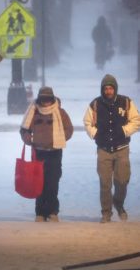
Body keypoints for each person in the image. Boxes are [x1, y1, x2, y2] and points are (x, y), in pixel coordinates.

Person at [83, 74, 140, 223]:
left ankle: (118, 203)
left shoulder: (126, 102)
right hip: (103, 149)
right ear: (102, 89)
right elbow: (87, 122)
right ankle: (106, 213)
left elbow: (136, 120)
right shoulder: (95, 104)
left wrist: (124, 130)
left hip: (122, 148)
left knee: (122, 181)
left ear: (115, 89)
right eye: (106, 88)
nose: (108, 91)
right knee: (105, 183)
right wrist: (95, 134)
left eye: (110, 88)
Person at [20, 86, 74, 222]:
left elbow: (69, 129)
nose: (46, 103)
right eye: (43, 100)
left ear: (52, 99)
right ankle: (40, 213)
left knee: (52, 183)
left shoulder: (61, 112)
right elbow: (24, 129)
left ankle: (52, 212)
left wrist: (61, 137)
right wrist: (27, 137)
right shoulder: (33, 112)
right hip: (38, 152)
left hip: (55, 152)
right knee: (39, 183)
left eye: (48, 99)